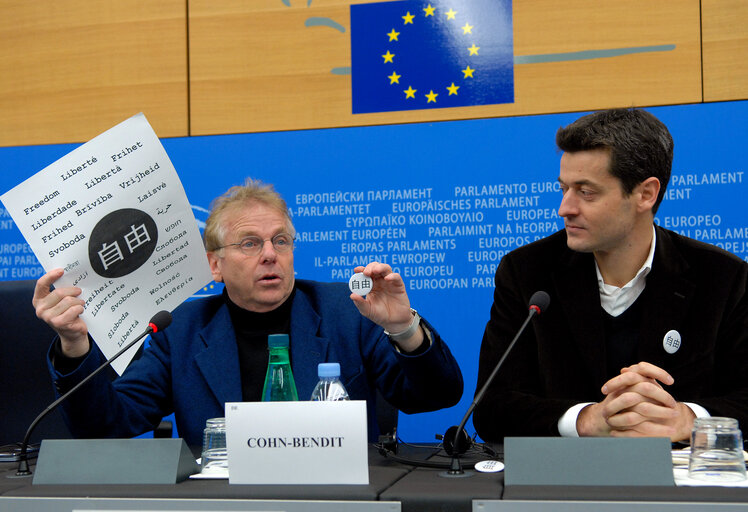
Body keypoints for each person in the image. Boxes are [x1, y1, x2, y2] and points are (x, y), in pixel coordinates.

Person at [34, 178, 463, 447]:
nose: (271, 255)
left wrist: (404, 327)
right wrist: (74, 344)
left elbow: (436, 396)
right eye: (250, 244)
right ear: (214, 265)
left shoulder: (345, 312)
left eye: (281, 240)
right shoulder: (179, 329)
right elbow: (108, 425)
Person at [473, 108, 748, 443]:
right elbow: (491, 408)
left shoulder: (723, 278)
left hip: (682, 487)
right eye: (564, 189)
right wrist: (587, 419)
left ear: (646, 194)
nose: (565, 208)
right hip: (560, 486)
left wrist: (686, 421)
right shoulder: (527, 272)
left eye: (586, 192)